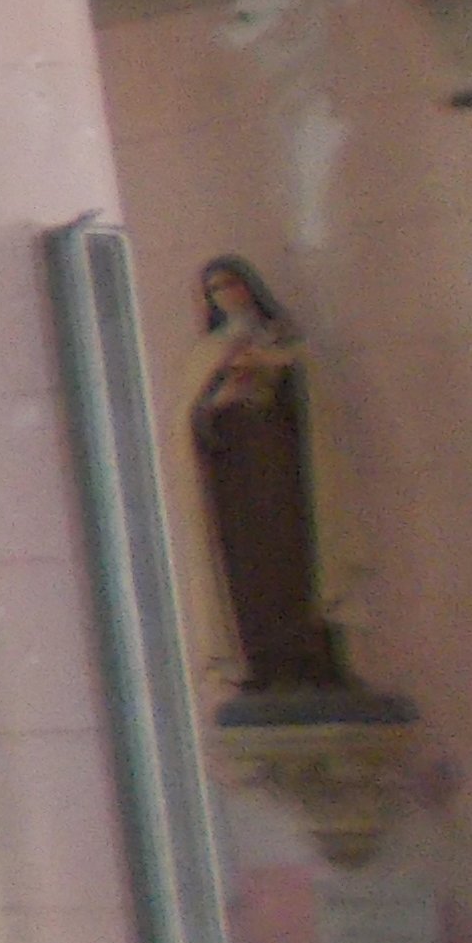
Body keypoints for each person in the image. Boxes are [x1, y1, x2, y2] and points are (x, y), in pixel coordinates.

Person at [185, 256, 354, 698]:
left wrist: (275, 374)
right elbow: (192, 423)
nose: (227, 295)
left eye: (232, 284)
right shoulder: (209, 354)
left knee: (299, 560)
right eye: (216, 290)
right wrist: (222, 396)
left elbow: (312, 407)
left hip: (284, 476)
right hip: (238, 485)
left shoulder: (284, 342)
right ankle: (264, 662)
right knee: (252, 574)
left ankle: (314, 659)